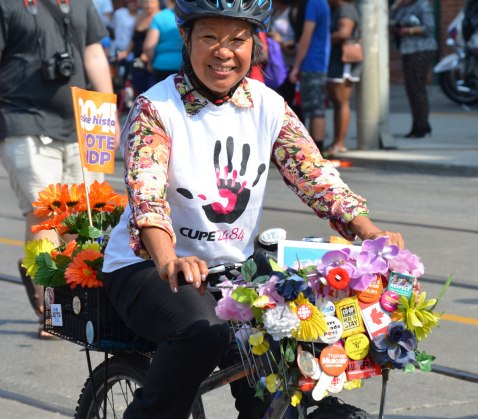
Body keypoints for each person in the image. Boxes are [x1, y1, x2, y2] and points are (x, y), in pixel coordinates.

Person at [101, 0, 404, 417]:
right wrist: (169, 259)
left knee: (288, 358)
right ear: (187, 39)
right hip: (147, 267)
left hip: (231, 270)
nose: (224, 52)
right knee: (202, 334)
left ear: (254, 44)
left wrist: (370, 233)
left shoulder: (268, 105)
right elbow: (146, 196)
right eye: (209, 37)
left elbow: (315, 176)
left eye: (237, 39)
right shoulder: (156, 109)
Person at [0, 0, 114, 338]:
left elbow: (93, 51)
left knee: (80, 219)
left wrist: (109, 113)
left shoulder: (81, 3)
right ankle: (54, 310)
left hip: (81, 122)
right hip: (23, 121)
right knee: (44, 216)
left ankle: (47, 280)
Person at [390, 0, 437, 138]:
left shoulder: (423, 5)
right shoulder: (404, 7)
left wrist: (408, 31)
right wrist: (396, 6)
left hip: (421, 49)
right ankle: (417, 125)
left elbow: (429, 27)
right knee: (411, 89)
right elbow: (391, 20)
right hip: (407, 50)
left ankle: (422, 126)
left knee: (418, 88)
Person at [289, 0, 331, 152]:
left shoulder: (314, 3)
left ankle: (317, 151)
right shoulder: (320, 3)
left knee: (314, 108)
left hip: (312, 61)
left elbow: (306, 37)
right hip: (316, 61)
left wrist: (296, 66)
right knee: (314, 107)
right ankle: (316, 149)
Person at [325, 0, 361, 156]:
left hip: (343, 60)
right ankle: (336, 141)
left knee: (341, 101)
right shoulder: (339, 9)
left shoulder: (345, 10)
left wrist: (323, 38)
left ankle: (340, 143)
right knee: (337, 102)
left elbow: (344, 32)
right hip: (337, 60)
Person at [119, 0, 161, 95]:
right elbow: (133, 39)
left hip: (153, 62)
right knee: (138, 90)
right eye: (146, 2)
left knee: (152, 92)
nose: (148, 5)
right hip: (138, 60)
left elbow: (161, 41)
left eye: (151, 2)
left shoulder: (160, 17)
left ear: (157, 2)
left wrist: (148, 58)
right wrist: (126, 52)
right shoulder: (139, 17)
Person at [143, 0, 183, 83]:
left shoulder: (159, 17)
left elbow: (149, 47)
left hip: (162, 66)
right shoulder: (190, 16)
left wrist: (150, 63)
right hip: (185, 65)